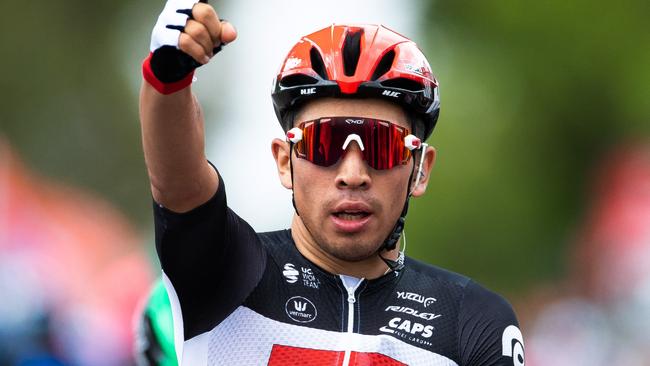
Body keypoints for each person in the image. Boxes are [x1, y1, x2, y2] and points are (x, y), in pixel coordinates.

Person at [139, 0, 525, 365]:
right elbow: (180, 185)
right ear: (284, 161)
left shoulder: (473, 320)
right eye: (325, 144)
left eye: (381, 146)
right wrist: (168, 78)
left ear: (420, 168)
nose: (353, 175)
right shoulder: (223, 268)